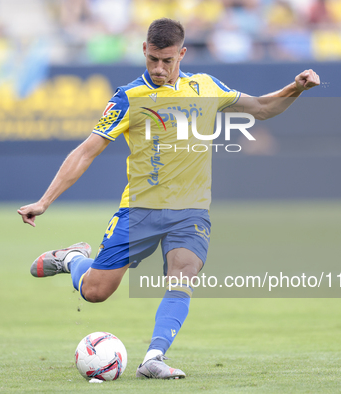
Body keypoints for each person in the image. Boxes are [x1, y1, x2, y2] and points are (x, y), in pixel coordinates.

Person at [18, 18, 320, 379]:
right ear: (144, 51)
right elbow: (86, 151)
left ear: (182, 54)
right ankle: (73, 259)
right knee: (96, 292)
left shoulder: (205, 87)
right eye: (153, 60)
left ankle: (153, 358)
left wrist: (295, 89)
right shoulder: (128, 97)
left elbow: (261, 108)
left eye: (167, 61)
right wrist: (45, 200)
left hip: (190, 211)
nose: (159, 69)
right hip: (140, 210)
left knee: (184, 274)